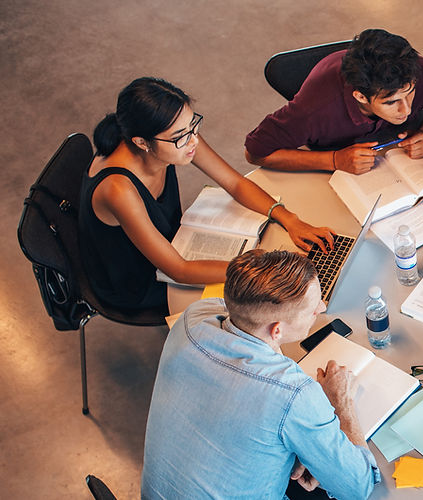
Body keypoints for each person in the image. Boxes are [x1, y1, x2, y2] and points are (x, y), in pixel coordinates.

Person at [80, 77, 335, 314]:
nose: (193, 141)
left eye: (193, 126)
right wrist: (261, 267)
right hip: (139, 279)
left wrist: (289, 219)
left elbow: (234, 183)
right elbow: (177, 270)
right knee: (260, 304)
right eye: (181, 137)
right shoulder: (118, 189)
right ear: (142, 142)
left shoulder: (176, 135)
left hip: (172, 242)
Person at [141, 249, 380, 499]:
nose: (321, 307)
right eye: (313, 308)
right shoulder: (293, 395)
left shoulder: (195, 316)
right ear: (276, 331)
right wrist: (341, 405)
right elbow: (358, 487)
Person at [244, 29, 423, 174]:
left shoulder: (415, 72)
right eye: (391, 102)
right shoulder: (315, 109)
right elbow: (255, 152)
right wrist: (334, 160)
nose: (407, 109)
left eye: (410, 93)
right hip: (339, 164)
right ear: (361, 97)